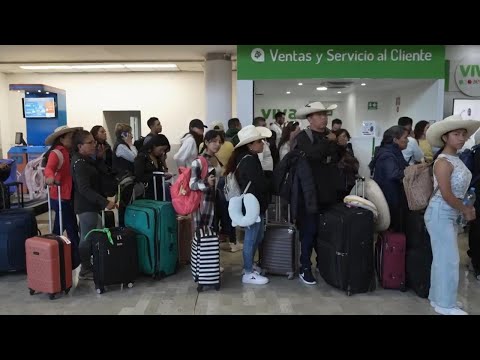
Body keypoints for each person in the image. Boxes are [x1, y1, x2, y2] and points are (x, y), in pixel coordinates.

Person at [424, 114, 480, 315]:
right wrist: (465, 208)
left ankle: (438, 298)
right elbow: (446, 194)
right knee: (448, 259)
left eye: (463, 134)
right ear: (445, 137)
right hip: (440, 212)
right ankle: (445, 305)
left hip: (449, 212)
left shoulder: (456, 158)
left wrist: (465, 206)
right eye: (456, 134)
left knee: (442, 258)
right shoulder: (443, 161)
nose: (461, 138)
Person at [293, 102, 339, 285]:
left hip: (329, 191)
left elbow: (334, 158)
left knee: (325, 231)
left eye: (325, 115)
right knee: (309, 231)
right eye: (319, 115)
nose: (324, 118)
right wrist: (329, 143)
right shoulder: (304, 136)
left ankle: (323, 264)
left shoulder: (330, 136)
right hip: (309, 193)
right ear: (309, 119)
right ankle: (305, 266)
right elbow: (312, 155)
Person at [224, 125, 271, 285]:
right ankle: (248, 272)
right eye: (259, 141)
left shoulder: (244, 157)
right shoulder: (249, 160)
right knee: (251, 239)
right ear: (250, 145)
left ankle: (249, 267)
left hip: (252, 205)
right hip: (252, 206)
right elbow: (260, 184)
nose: (263, 143)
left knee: (256, 237)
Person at [71, 130, 117, 280]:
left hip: (92, 206)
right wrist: (104, 202)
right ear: (80, 146)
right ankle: (85, 269)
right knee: (86, 237)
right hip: (86, 206)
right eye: (90, 143)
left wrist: (98, 158)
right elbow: (84, 189)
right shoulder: (79, 163)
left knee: (93, 235)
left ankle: (91, 265)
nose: (94, 145)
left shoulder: (85, 160)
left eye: (94, 142)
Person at [44, 125, 83, 271]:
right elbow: (49, 169)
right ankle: (77, 261)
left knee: (59, 228)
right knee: (71, 228)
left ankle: (53, 256)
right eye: (70, 137)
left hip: (66, 195)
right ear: (62, 138)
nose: (72, 139)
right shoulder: (57, 153)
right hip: (60, 197)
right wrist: (49, 178)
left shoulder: (69, 152)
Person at [369, 126, 409, 233]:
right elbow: (393, 173)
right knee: (393, 228)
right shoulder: (387, 155)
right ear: (395, 140)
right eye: (405, 138)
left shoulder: (393, 152)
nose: (408, 140)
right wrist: (410, 171)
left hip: (393, 195)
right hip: (390, 197)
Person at [134, 135, 171, 200]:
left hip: (158, 191)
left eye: (164, 150)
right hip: (147, 193)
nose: (162, 152)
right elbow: (139, 176)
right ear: (154, 146)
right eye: (161, 149)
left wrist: (163, 163)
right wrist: (156, 175)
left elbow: (162, 172)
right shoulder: (142, 157)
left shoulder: (158, 158)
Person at [335, 129, 359, 201]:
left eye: (346, 137)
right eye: (343, 136)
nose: (345, 139)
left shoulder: (348, 149)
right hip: (341, 183)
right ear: (337, 138)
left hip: (350, 180)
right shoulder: (335, 150)